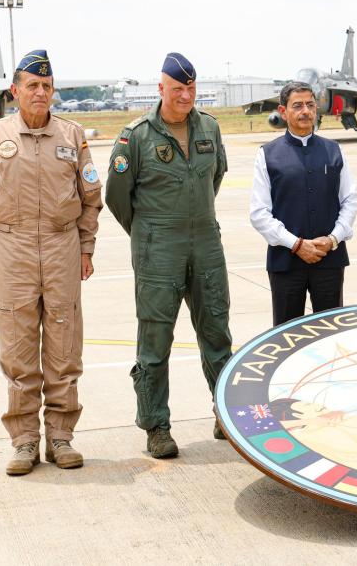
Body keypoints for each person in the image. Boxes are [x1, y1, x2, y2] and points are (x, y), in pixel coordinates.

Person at [0, 50, 102, 475]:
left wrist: (86, 248)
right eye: (32, 86)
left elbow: (90, 199)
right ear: (16, 91)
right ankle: (24, 441)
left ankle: (60, 437)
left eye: (46, 86)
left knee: (64, 346)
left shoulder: (72, 135)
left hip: (63, 249)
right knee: (18, 349)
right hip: (14, 250)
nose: (40, 92)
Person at [105, 52, 232, 459]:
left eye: (191, 88)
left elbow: (216, 177)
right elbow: (117, 198)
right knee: (156, 341)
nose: (186, 95)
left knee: (216, 333)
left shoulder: (209, 127)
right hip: (158, 251)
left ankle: (224, 414)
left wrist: (192, 222)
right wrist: (151, 233)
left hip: (206, 246)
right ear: (161, 89)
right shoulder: (136, 137)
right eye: (178, 88)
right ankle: (156, 425)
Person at [249, 81, 357, 325]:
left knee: (331, 334)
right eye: (297, 106)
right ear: (283, 111)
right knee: (286, 336)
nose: (305, 111)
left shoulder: (334, 151)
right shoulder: (267, 154)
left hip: (329, 260)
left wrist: (333, 239)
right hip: (285, 263)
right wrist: (296, 245)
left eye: (310, 105)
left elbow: (350, 200)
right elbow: (259, 213)